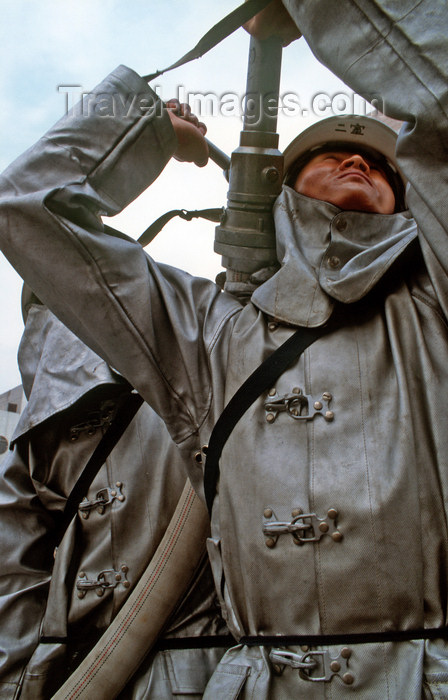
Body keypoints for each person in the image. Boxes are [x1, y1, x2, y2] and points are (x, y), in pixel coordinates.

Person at [1, 0, 448, 696]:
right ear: (284, 200)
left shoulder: (435, 307)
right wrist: (142, 126)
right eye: (329, 154)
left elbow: (439, 104)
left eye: (380, 165)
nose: (358, 157)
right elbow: (29, 208)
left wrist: (333, 8)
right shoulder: (209, 334)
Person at [0, 296, 231, 699]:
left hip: (93, 676)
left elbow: (12, 577)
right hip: (222, 674)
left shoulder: (36, 440)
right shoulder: (218, 379)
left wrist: (18, 688)